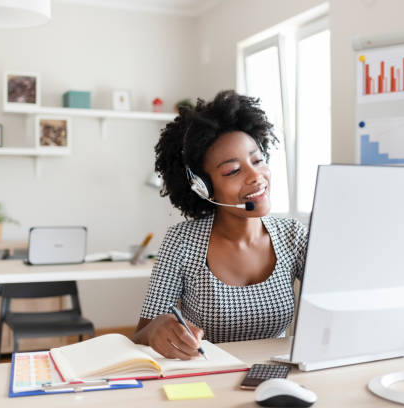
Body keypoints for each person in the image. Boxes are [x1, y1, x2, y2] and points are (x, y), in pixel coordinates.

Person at [132, 90, 308, 360]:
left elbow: (337, 298)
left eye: (257, 160)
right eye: (232, 171)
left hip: (275, 376)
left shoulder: (293, 235)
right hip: (207, 377)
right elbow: (142, 334)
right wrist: (158, 329)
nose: (255, 176)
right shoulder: (182, 242)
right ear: (203, 188)